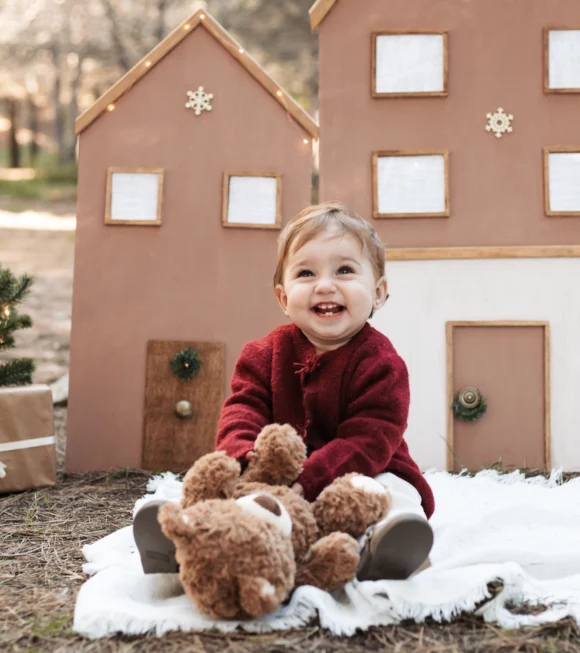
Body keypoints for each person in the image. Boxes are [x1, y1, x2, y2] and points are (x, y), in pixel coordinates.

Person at [134, 201, 434, 582]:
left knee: (388, 493)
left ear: (378, 292)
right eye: (306, 273)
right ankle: (183, 537)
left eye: (344, 270)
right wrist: (245, 459)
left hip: (363, 468)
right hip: (272, 472)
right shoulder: (263, 354)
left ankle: (385, 547)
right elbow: (242, 410)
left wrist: (312, 478)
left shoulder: (382, 363)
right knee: (222, 486)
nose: (325, 285)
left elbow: (371, 438)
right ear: (283, 297)